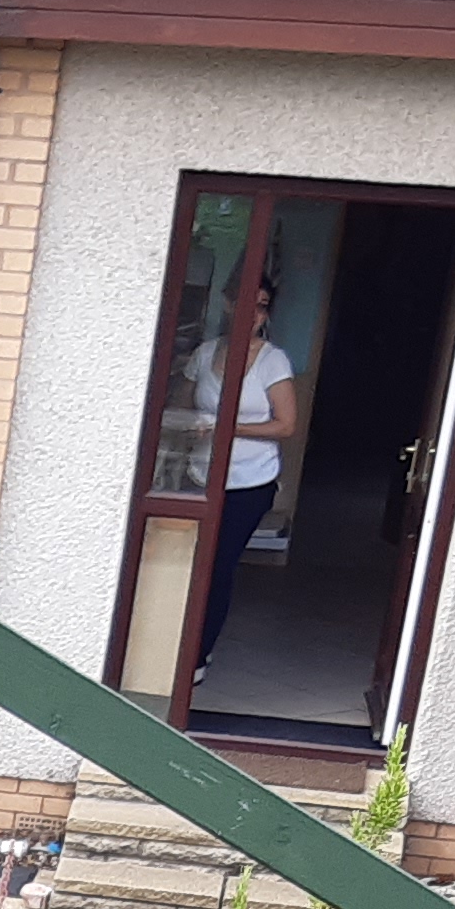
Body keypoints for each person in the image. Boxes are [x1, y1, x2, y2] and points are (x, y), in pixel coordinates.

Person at [193, 268, 298, 668]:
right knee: (188, 562)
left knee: (217, 565)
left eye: (263, 307)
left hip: (249, 482)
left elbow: (286, 425)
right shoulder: (205, 353)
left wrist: (227, 429)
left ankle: (198, 655)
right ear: (227, 303)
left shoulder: (273, 361)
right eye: (246, 303)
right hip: (198, 476)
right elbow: (184, 409)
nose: (254, 313)